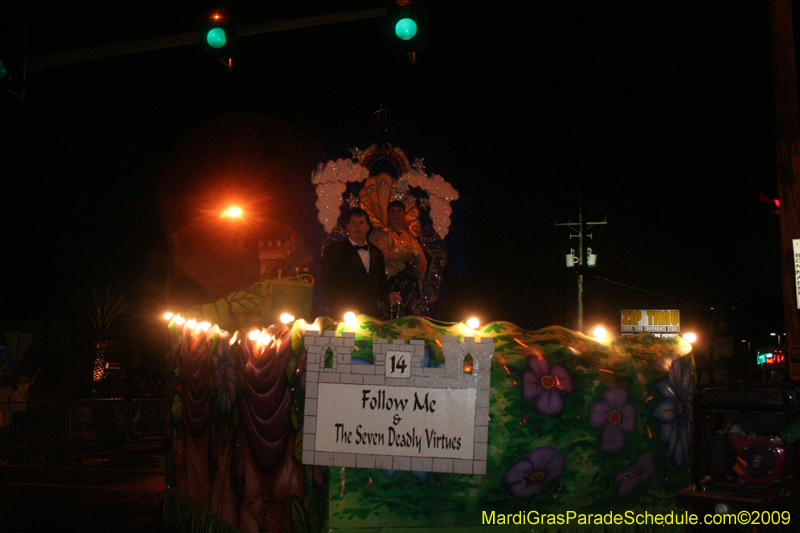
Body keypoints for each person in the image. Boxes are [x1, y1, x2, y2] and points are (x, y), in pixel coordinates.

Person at [322, 208, 402, 319]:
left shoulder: (376, 252)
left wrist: (389, 293)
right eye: (353, 222)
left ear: (368, 227)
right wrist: (346, 308)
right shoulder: (334, 250)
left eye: (361, 223)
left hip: (370, 314)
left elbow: (380, 281)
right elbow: (330, 285)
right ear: (348, 227)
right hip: (344, 314)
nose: (357, 226)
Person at [369, 200, 427, 310]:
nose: (396, 214)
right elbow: (376, 256)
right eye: (392, 211)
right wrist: (402, 256)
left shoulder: (411, 236)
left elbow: (421, 257)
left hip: (410, 284)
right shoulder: (379, 234)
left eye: (399, 211)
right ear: (388, 215)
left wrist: (421, 266)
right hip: (388, 282)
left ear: (404, 214)